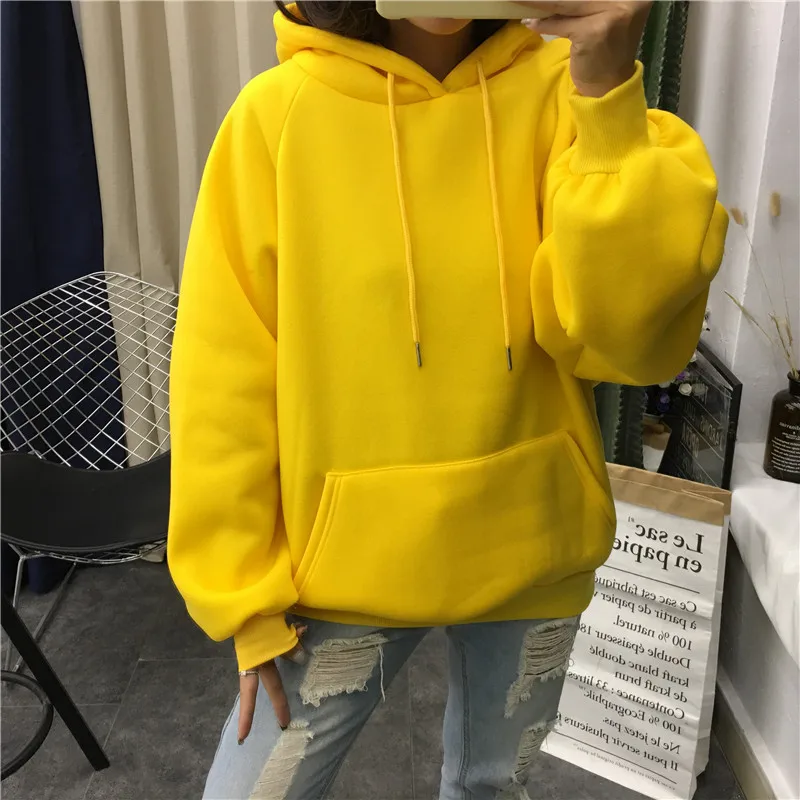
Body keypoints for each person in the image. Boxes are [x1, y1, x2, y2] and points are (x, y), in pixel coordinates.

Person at [167, 1, 727, 797]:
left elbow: (626, 344)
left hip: (532, 543)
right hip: (345, 570)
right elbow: (224, 376)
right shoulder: (276, 118)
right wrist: (243, 596)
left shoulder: (569, 93)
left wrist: (607, 100)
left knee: (490, 790)